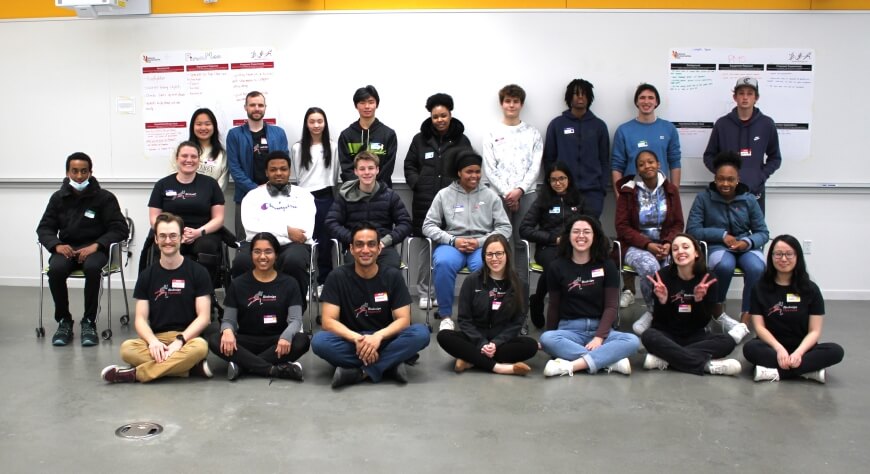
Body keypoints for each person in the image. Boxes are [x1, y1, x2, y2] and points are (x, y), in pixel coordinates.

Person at [311, 222, 430, 389]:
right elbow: (328, 321)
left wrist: (378, 337)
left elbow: (403, 320)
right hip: (352, 340)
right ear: (351, 249)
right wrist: (357, 339)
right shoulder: (337, 277)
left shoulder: (393, 276)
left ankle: (362, 372)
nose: (365, 250)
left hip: (385, 338)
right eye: (359, 245)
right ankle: (390, 364)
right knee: (319, 342)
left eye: (371, 244)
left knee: (421, 333)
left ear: (379, 249)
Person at [101, 212, 212, 383]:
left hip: (188, 338)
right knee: (127, 349)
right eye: (163, 236)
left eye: (173, 236)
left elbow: (204, 318)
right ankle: (187, 368)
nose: (168, 241)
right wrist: (153, 342)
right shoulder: (147, 276)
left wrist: (180, 342)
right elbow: (140, 319)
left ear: (182, 238)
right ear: (156, 239)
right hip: (157, 337)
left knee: (201, 347)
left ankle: (135, 374)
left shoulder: (198, 272)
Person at [37, 152, 129, 346]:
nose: (79, 176)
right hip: (67, 248)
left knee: (93, 269)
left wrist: (96, 245)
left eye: (83, 171)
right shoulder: (58, 198)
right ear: (67, 172)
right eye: (75, 171)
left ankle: (89, 322)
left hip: (96, 249)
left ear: (90, 172)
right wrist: (57, 245)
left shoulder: (104, 198)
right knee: (56, 270)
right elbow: (44, 228)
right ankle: (64, 321)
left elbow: (120, 228)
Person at [422, 150, 512, 331]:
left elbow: (505, 228)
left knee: (486, 266)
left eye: (478, 171)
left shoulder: (490, 196)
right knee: (443, 263)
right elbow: (428, 225)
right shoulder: (444, 194)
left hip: (482, 245)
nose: (474, 176)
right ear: (459, 172)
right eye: (469, 172)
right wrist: (452, 240)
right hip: (453, 244)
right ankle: (446, 316)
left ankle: (482, 316)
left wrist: (481, 242)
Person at [539, 215, 639, 377]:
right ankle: (610, 361)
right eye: (576, 231)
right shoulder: (556, 266)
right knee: (547, 339)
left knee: (632, 342)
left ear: (595, 237)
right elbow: (554, 306)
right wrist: (550, 335)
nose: (581, 236)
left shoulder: (607, 265)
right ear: (568, 236)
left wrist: (599, 337)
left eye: (587, 232)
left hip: (602, 330)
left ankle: (572, 365)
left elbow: (611, 306)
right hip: (569, 330)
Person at [208, 232, 311, 381]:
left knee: (302, 340)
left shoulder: (290, 283)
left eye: (268, 251)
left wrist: (286, 336)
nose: (262, 257)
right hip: (246, 340)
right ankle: (273, 369)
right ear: (251, 255)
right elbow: (228, 320)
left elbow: (295, 320)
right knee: (215, 339)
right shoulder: (238, 284)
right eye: (257, 252)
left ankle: (243, 365)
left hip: (277, 341)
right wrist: (228, 331)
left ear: (276, 255)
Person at [687, 150, 766, 342]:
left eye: (730, 179)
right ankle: (716, 309)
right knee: (724, 265)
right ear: (714, 178)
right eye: (721, 179)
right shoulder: (703, 199)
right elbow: (692, 230)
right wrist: (722, 235)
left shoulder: (749, 200)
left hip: (745, 247)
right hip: (716, 247)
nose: (725, 184)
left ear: (738, 179)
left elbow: (763, 232)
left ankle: (745, 320)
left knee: (757, 267)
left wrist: (747, 242)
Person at [744, 235, 845, 383]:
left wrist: (799, 353)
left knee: (836, 351)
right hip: (771, 347)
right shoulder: (759, 288)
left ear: (797, 256)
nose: (783, 259)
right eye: (778, 254)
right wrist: (779, 349)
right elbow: (759, 327)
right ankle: (808, 372)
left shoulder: (811, 289)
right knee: (750, 348)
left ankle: (775, 373)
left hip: (803, 349)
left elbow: (815, 331)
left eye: (789, 254)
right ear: (771, 257)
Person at [404, 92, 471, 310]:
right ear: (430, 117)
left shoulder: (461, 140)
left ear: (450, 114)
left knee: (448, 248)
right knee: (426, 247)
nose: (440, 120)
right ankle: (425, 292)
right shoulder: (419, 139)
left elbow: (468, 167)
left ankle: (442, 293)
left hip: (454, 204)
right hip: (425, 201)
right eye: (435, 116)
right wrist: (418, 183)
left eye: (443, 115)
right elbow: (409, 165)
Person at [641, 234, 741, 376]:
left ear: (696, 253)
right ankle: (707, 365)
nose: (680, 251)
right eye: (675, 249)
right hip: (668, 333)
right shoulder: (662, 277)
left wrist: (698, 301)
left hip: (696, 335)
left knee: (728, 341)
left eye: (686, 247)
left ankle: (667, 359)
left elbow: (703, 321)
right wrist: (663, 301)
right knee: (648, 336)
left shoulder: (708, 278)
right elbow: (660, 321)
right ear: (672, 256)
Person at [436, 234, 537, 376]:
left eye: (499, 253)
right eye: (489, 254)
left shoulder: (521, 285)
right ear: (484, 257)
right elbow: (464, 320)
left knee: (531, 346)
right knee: (444, 336)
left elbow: (516, 323)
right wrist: (482, 343)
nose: (494, 259)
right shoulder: (472, 281)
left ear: (507, 254)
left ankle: (470, 360)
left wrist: (495, 343)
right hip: (474, 338)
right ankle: (499, 367)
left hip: (502, 341)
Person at [615, 149, 684, 335]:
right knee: (650, 265)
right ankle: (655, 313)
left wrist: (669, 243)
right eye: (642, 164)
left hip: (664, 245)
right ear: (637, 169)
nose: (647, 166)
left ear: (659, 164)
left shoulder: (671, 190)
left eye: (651, 162)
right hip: (635, 246)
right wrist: (647, 245)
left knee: (672, 266)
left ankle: (674, 313)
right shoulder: (628, 191)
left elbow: (678, 223)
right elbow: (621, 227)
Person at [232, 150, 315, 307]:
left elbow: (305, 232)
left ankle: (294, 311)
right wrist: (287, 231)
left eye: (283, 169)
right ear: (266, 172)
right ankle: (245, 310)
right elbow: (250, 228)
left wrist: (267, 228)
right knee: (242, 261)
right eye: (273, 169)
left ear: (289, 171)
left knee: (294, 261)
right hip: (258, 243)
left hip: (293, 247)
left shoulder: (304, 196)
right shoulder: (252, 196)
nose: (278, 173)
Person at [482, 84, 543, 280]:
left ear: (521, 104)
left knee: (522, 243)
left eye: (515, 101)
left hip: (527, 195)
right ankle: (501, 289)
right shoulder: (492, 133)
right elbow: (489, 168)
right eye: (508, 101)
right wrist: (508, 192)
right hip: (499, 196)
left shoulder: (533, 133)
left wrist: (519, 190)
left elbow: (535, 166)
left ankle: (521, 294)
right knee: (500, 243)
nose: (511, 105)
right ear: (502, 104)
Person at [519, 161, 591, 328]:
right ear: (548, 182)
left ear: (569, 179)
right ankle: (552, 308)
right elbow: (525, 229)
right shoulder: (542, 200)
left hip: (575, 248)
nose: (558, 183)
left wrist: (578, 237)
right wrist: (553, 238)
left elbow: (593, 225)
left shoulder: (579, 200)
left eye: (562, 179)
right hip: (548, 248)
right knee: (556, 266)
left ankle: (539, 298)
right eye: (553, 180)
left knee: (566, 264)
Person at [148, 141, 226, 287]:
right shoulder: (162, 185)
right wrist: (174, 234)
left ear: (199, 160)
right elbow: (154, 218)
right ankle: (169, 289)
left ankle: (202, 291)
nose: (189, 160)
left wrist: (198, 233)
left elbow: (219, 218)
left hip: (203, 232)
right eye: (184, 156)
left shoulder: (210, 184)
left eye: (193, 156)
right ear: (177, 159)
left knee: (207, 247)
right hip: (171, 232)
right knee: (167, 245)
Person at [703, 77, 782, 213]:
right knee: (727, 232)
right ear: (735, 97)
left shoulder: (767, 124)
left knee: (755, 231)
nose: (745, 97)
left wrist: (760, 175)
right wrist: (723, 176)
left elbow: (775, 157)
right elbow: (709, 156)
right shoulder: (722, 124)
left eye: (749, 93)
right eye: (741, 93)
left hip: (755, 192)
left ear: (756, 98)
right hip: (726, 193)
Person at [325, 151, 411, 269]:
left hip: (382, 247)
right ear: (356, 171)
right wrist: (353, 239)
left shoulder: (390, 196)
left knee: (390, 270)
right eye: (362, 169)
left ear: (377, 170)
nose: (367, 172)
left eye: (370, 168)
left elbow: (405, 223)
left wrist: (387, 240)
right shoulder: (345, 195)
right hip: (355, 248)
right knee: (358, 271)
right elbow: (331, 222)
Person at [542, 78, 609, 217]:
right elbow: (549, 159)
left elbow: (604, 160)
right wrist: (554, 185)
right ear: (569, 97)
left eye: (584, 94)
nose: (580, 97)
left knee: (590, 230)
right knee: (564, 230)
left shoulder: (599, 126)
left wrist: (602, 188)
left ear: (589, 97)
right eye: (576, 93)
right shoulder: (557, 124)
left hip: (593, 192)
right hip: (563, 190)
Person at [227, 91, 290, 236]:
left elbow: (284, 164)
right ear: (246, 107)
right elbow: (234, 168)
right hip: (245, 196)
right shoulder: (235, 135)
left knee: (277, 240)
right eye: (252, 105)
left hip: (275, 195)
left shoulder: (278, 133)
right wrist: (256, 189)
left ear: (265, 107)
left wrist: (270, 187)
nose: (257, 108)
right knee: (245, 243)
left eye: (260, 105)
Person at [291, 107, 339, 292]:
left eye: (320, 121)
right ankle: (307, 283)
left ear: (325, 123)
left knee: (325, 243)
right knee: (305, 241)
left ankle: (323, 281)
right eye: (312, 121)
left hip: (326, 197)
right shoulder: (297, 147)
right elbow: (298, 175)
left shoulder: (332, 146)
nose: (316, 125)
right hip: (304, 198)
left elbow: (334, 175)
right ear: (306, 124)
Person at [611, 83, 681, 197]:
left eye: (651, 98)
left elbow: (675, 162)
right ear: (637, 102)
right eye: (642, 98)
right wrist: (619, 197)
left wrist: (674, 194)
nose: (646, 101)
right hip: (631, 193)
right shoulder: (623, 130)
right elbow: (616, 166)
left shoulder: (669, 129)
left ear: (656, 102)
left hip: (661, 193)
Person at [337, 85, 397, 187]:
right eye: (362, 102)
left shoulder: (388, 134)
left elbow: (388, 167)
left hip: (382, 191)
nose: (367, 106)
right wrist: (361, 187)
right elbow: (346, 167)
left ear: (377, 104)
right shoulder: (346, 135)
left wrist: (373, 187)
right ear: (356, 106)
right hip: (354, 192)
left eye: (371, 102)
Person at [172, 108, 227, 190]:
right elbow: (172, 176)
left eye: (207, 124)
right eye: (199, 124)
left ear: (214, 126)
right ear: (192, 126)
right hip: (183, 198)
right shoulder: (180, 150)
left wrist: (209, 198)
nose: (203, 128)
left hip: (211, 200)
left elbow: (222, 182)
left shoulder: (222, 154)